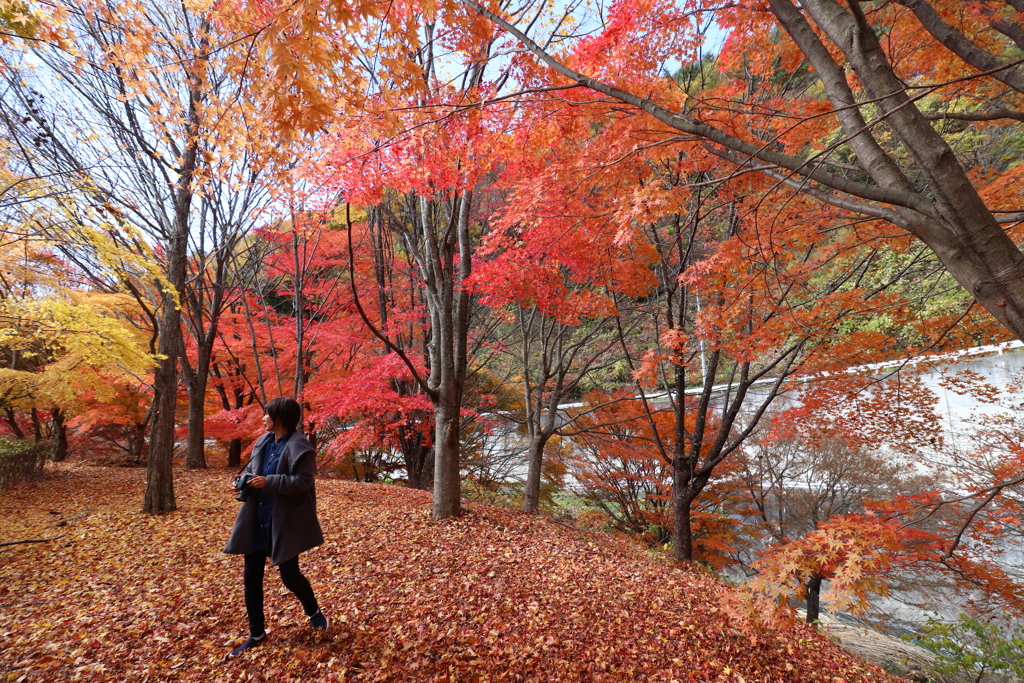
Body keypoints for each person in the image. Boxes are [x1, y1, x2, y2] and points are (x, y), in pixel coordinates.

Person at [224, 397, 327, 658]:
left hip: (283, 521)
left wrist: (268, 482)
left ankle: (313, 611)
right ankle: (256, 633)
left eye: (266, 414)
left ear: (279, 418)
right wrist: (244, 482)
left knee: (290, 576)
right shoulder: (264, 442)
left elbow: (303, 481)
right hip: (256, 518)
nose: (262, 418)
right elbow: (257, 475)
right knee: (251, 578)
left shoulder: (299, 445)